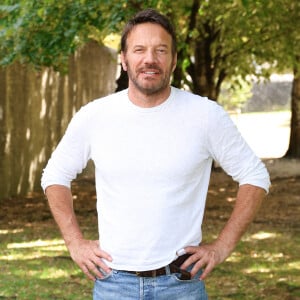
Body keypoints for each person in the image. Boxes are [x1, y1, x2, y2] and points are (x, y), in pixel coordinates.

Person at [41, 8, 270, 300]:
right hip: (113, 283)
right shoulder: (95, 116)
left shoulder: (205, 115)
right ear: (123, 59)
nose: (150, 59)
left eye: (161, 50)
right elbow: (55, 175)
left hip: (181, 283)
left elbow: (255, 176)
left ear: (174, 60)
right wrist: (74, 242)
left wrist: (221, 247)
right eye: (139, 50)